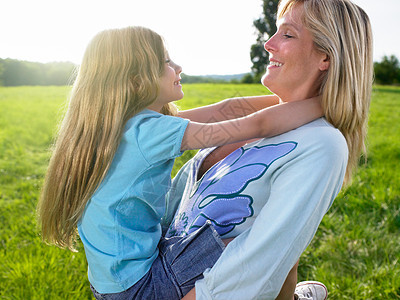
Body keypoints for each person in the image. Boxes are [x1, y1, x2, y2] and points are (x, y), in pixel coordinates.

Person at [37, 26, 323, 299]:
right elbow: (257, 126)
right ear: (137, 80)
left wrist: (287, 100)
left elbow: (224, 110)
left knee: (266, 247)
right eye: (166, 61)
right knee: (271, 246)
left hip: (114, 286)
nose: (178, 66)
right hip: (143, 288)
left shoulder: (122, 127)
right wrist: (328, 103)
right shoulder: (149, 132)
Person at [165, 0, 373, 299]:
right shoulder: (255, 118)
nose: (268, 43)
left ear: (325, 56)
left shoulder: (322, 145)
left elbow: (252, 270)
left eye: (287, 35)